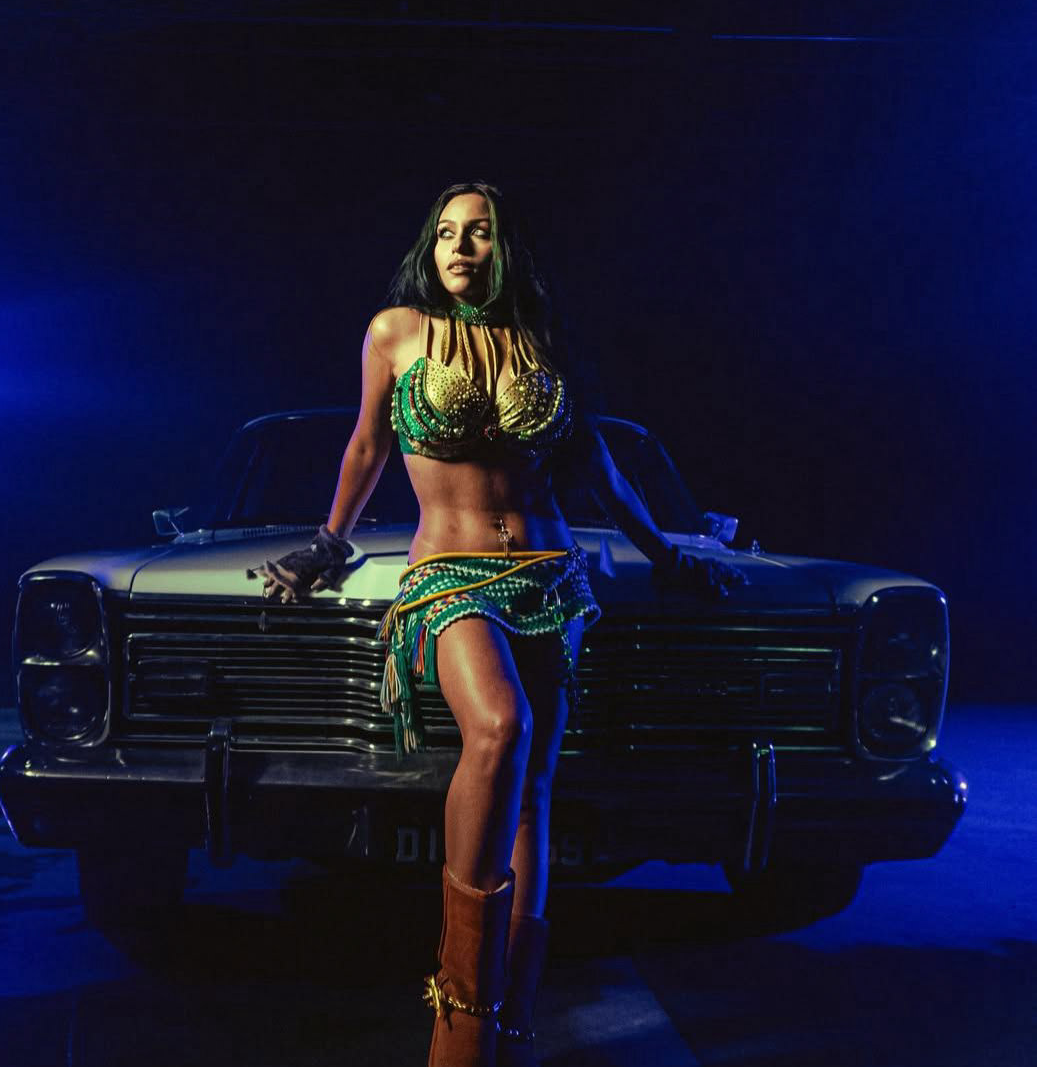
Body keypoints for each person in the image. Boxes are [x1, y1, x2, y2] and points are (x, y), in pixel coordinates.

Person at [249, 181, 746, 1067]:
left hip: (550, 575)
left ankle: (512, 1024)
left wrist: (666, 552)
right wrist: (329, 542)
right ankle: (461, 1020)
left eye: (477, 232)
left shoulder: (540, 339)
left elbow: (596, 463)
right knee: (499, 728)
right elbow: (365, 445)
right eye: (445, 232)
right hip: (448, 575)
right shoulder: (395, 331)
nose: (459, 246)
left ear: (505, 246)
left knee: (534, 790)